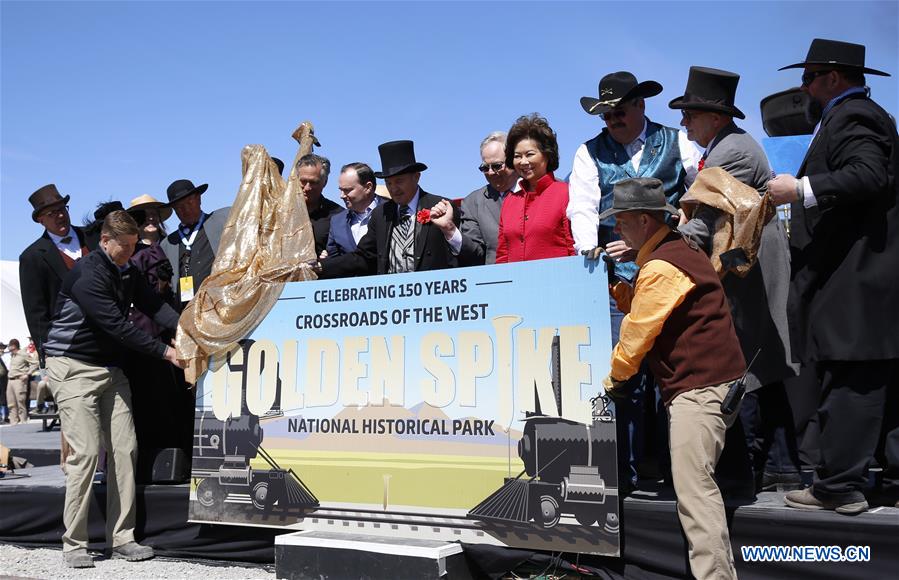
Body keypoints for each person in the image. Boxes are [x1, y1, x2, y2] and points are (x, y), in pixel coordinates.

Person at [767, 39, 898, 514]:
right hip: (859, 278)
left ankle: (838, 487)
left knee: (849, 377)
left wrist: (799, 188)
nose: (802, 87)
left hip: (855, 278)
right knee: (863, 378)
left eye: (808, 77)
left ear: (832, 79)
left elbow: (868, 175)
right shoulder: (850, 116)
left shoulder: (853, 116)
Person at [601, 177, 745, 580]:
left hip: (699, 391)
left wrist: (613, 380)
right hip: (715, 384)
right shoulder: (672, 251)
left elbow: (637, 334)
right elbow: (653, 310)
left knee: (696, 496)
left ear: (645, 221)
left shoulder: (662, 265)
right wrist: (618, 288)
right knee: (705, 490)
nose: (617, 230)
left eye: (623, 221)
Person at [567, 72, 702, 488]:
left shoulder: (678, 141)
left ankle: (671, 471)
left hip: (674, 273)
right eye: (605, 115)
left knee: (672, 373)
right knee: (622, 378)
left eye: (619, 111)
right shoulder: (589, 153)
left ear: (641, 106)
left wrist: (674, 232)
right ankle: (622, 475)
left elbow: (700, 196)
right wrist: (590, 249)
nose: (612, 120)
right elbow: (584, 208)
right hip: (616, 283)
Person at [671, 66, 801, 492]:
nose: (684, 121)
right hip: (746, 267)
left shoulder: (733, 153)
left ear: (716, 116)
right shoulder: (726, 146)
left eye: (690, 113)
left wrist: (659, 253)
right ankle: (778, 466)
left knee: (748, 366)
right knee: (759, 366)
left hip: (752, 271)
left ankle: (759, 467)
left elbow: (704, 218)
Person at [43, 210, 183, 568]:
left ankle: (122, 538)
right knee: (87, 453)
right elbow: (118, 326)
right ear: (105, 241)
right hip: (72, 368)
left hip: (111, 370)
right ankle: (74, 544)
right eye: (125, 246)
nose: (131, 253)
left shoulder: (128, 269)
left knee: (125, 450)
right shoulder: (88, 275)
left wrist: (188, 328)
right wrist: (167, 351)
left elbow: (154, 307)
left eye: (135, 246)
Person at [319, 140, 458, 277]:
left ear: (416, 177)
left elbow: (463, 256)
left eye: (399, 181)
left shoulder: (442, 207)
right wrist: (320, 266)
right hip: (392, 297)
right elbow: (363, 256)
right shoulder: (381, 214)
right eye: (388, 182)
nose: (393, 188)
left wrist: (450, 230)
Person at [126, 195, 191, 481]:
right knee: (148, 397)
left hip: (167, 329)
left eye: (155, 213)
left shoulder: (164, 248)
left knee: (169, 397)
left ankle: (171, 460)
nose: (152, 218)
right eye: (144, 215)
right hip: (144, 331)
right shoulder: (136, 253)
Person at [19, 184, 93, 359]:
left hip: (114, 339)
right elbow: (36, 313)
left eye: (62, 209)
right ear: (40, 220)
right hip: (71, 350)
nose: (60, 216)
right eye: (52, 213)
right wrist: (48, 356)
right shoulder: (32, 257)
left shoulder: (93, 236)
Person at [493, 114, 575, 263]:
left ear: (547, 155)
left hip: (558, 283)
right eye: (517, 156)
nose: (523, 161)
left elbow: (573, 247)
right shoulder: (509, 201)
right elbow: (503, 255)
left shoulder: (565, 193)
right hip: (516, 284)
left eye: (530, 154)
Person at [431, 132, 518, 266]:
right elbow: (476, 254)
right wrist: (450, 229)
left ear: (513, 160)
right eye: (484, 168)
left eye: (497, 166)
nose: (490, 172)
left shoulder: (543, 191)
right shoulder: (473, 203)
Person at [160, 179, 230, 309]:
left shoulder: (224, 219)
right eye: (179, 207)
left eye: (189, 202)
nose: (186, 210)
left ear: (199, 199)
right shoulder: (168, 243)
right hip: (186, 312)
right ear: (174, 210)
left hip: (222, 304)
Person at [322, 162, 383, 258]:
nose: (341, 196)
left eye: (347, 190)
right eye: (340, 190)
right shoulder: (337, 222)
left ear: (368, 187)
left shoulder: (392, 210)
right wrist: (326, 262)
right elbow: (333, 259)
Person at [297, 153, 344, 256]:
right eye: (303, 181)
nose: (307, 188)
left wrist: (330, 260)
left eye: (313, 182)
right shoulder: (281, 211)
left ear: (325, 182)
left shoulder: (339, 216)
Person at [5, 339, 37, 425]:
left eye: (10, 345)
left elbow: (35, 363)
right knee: (11, 403)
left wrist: (27, 374)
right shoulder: (12, 355)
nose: (9, 347)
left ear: (14, 346)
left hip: (19, 380)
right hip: (10, 380)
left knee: (20, 402)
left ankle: (23, 422)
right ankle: (13, 422)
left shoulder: (23, 354)